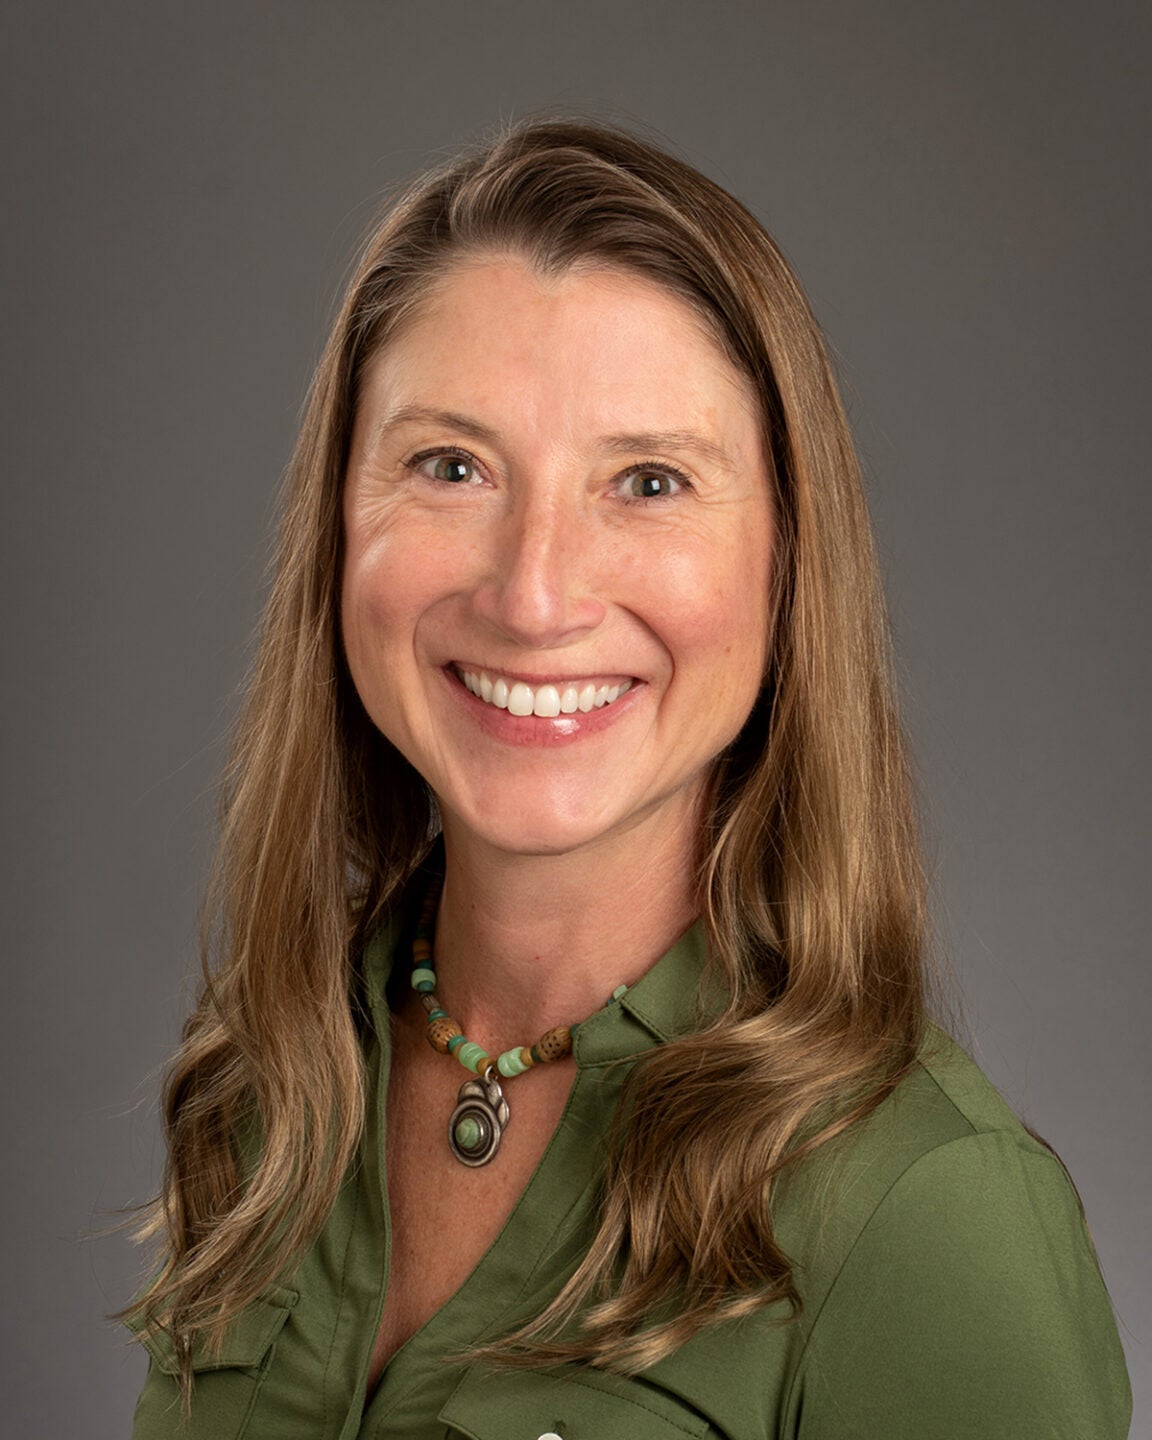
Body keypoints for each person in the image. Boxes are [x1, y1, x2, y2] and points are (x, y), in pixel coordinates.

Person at [124, 118, 1131, 1439]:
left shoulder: (925, 1214)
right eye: (452, 467)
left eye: (648, 482)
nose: (534, 593)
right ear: (336, 521)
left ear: (788, 563)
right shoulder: (267, 1096)